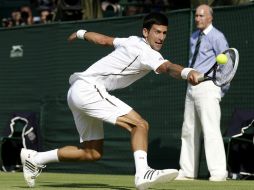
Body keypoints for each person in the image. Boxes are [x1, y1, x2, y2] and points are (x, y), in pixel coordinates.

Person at [20, 12, 201, 189]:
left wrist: (81, 33)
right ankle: (143, 173)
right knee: (140, 125)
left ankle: (35, 158)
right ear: (146, 32)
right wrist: (187, 73)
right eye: (157, 32)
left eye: (164, 33)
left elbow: (103, 40)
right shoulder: (148, 53)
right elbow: (168, 67)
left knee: (92, 152)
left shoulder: (131, 40)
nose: (161, 37)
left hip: (76, 91)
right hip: (88, 90)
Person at [176, 4, 229, 181]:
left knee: (211, 130)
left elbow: (226, 66)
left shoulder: (218, 37)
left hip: (208, 87)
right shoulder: (193, 37)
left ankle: (219, 173)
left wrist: (218, 89)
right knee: (188, 130)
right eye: (196, 16)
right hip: (191, 88)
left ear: (210, 18)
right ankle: (187, 171)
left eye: (201, 16)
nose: (197, 19)